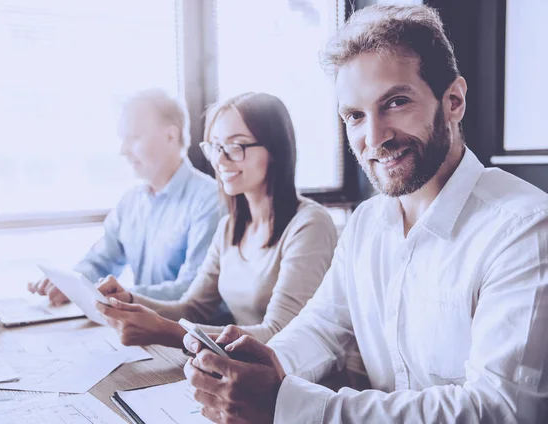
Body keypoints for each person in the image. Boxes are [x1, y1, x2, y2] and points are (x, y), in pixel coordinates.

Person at [182, 5, 548, 424]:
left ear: (453, 101)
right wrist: (264, 365)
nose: (373, 138)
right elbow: (322, 327)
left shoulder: (524, 229)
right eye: (354, 116)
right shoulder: (366, 224)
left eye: (395, 102)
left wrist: (287, 404)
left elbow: (500, 410)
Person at [94, 92, 338, 347]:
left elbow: (279, 333)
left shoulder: (309, 225)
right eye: (215, 146)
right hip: (240, 370)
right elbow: (192, 308)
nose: (220, 160)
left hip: (297, 378)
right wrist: (130, 300)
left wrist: (166, 332)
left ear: (275, 150)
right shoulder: (231, 227)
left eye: (236, 146)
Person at [28, 89, 221, 305]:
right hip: (140, 329)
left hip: (187, 334)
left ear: (171, 136)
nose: (123, 151)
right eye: (123, 139)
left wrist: (119, 296)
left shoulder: (210, 201)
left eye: (134, 138)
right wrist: (68, 284)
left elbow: (193, 292)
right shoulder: (131, 201)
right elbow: (100, 261)